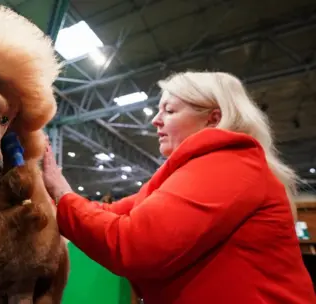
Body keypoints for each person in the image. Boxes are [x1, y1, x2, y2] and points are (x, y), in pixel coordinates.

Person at [42, 71, 316, 304]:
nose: (155, 120)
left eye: (170, 110)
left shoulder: (229, 164)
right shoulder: (190, 172)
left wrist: (62, 192)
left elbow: (134, 244)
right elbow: (111, 212)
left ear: (213, 119)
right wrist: (50, 194)